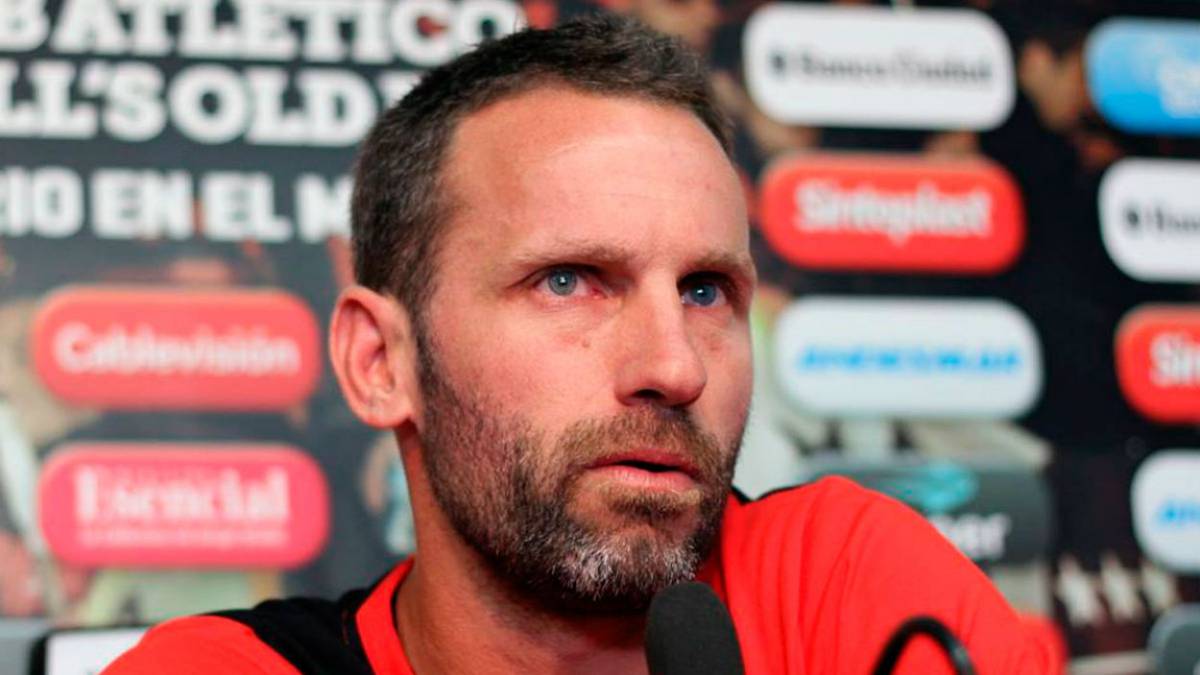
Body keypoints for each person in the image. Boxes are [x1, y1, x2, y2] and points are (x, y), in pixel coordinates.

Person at [106, 15, 1048, 674]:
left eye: (705, 290)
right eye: (569, 281)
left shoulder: (841, 582)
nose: (675, 366)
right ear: (380, 361)